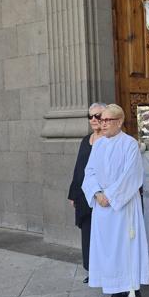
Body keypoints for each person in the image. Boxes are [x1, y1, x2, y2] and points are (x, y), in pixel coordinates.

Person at [82, 103, 149, 297]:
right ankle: (115, 289)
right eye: (101, 120)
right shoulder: (99, 145)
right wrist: (97, 193)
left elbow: (132, 175)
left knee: (125, 248)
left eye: (107, 120)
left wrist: (110, 196)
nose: (102, 124)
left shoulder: (129, 144)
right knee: (108, 249)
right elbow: (89, 171)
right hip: (102, 208)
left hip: (123, 206)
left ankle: (132, 290)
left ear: (119, 122)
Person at [68, 103, 105, 284]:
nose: (93, 120)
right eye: (90, 116)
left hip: (101, 196)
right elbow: (79, 168)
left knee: (103, 236)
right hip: (84, 195)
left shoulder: (109, 139)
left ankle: (105, 271)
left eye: (97, 116)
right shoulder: (86, 140)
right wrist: (74, 193)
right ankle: (93, 270)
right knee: (88, 234)